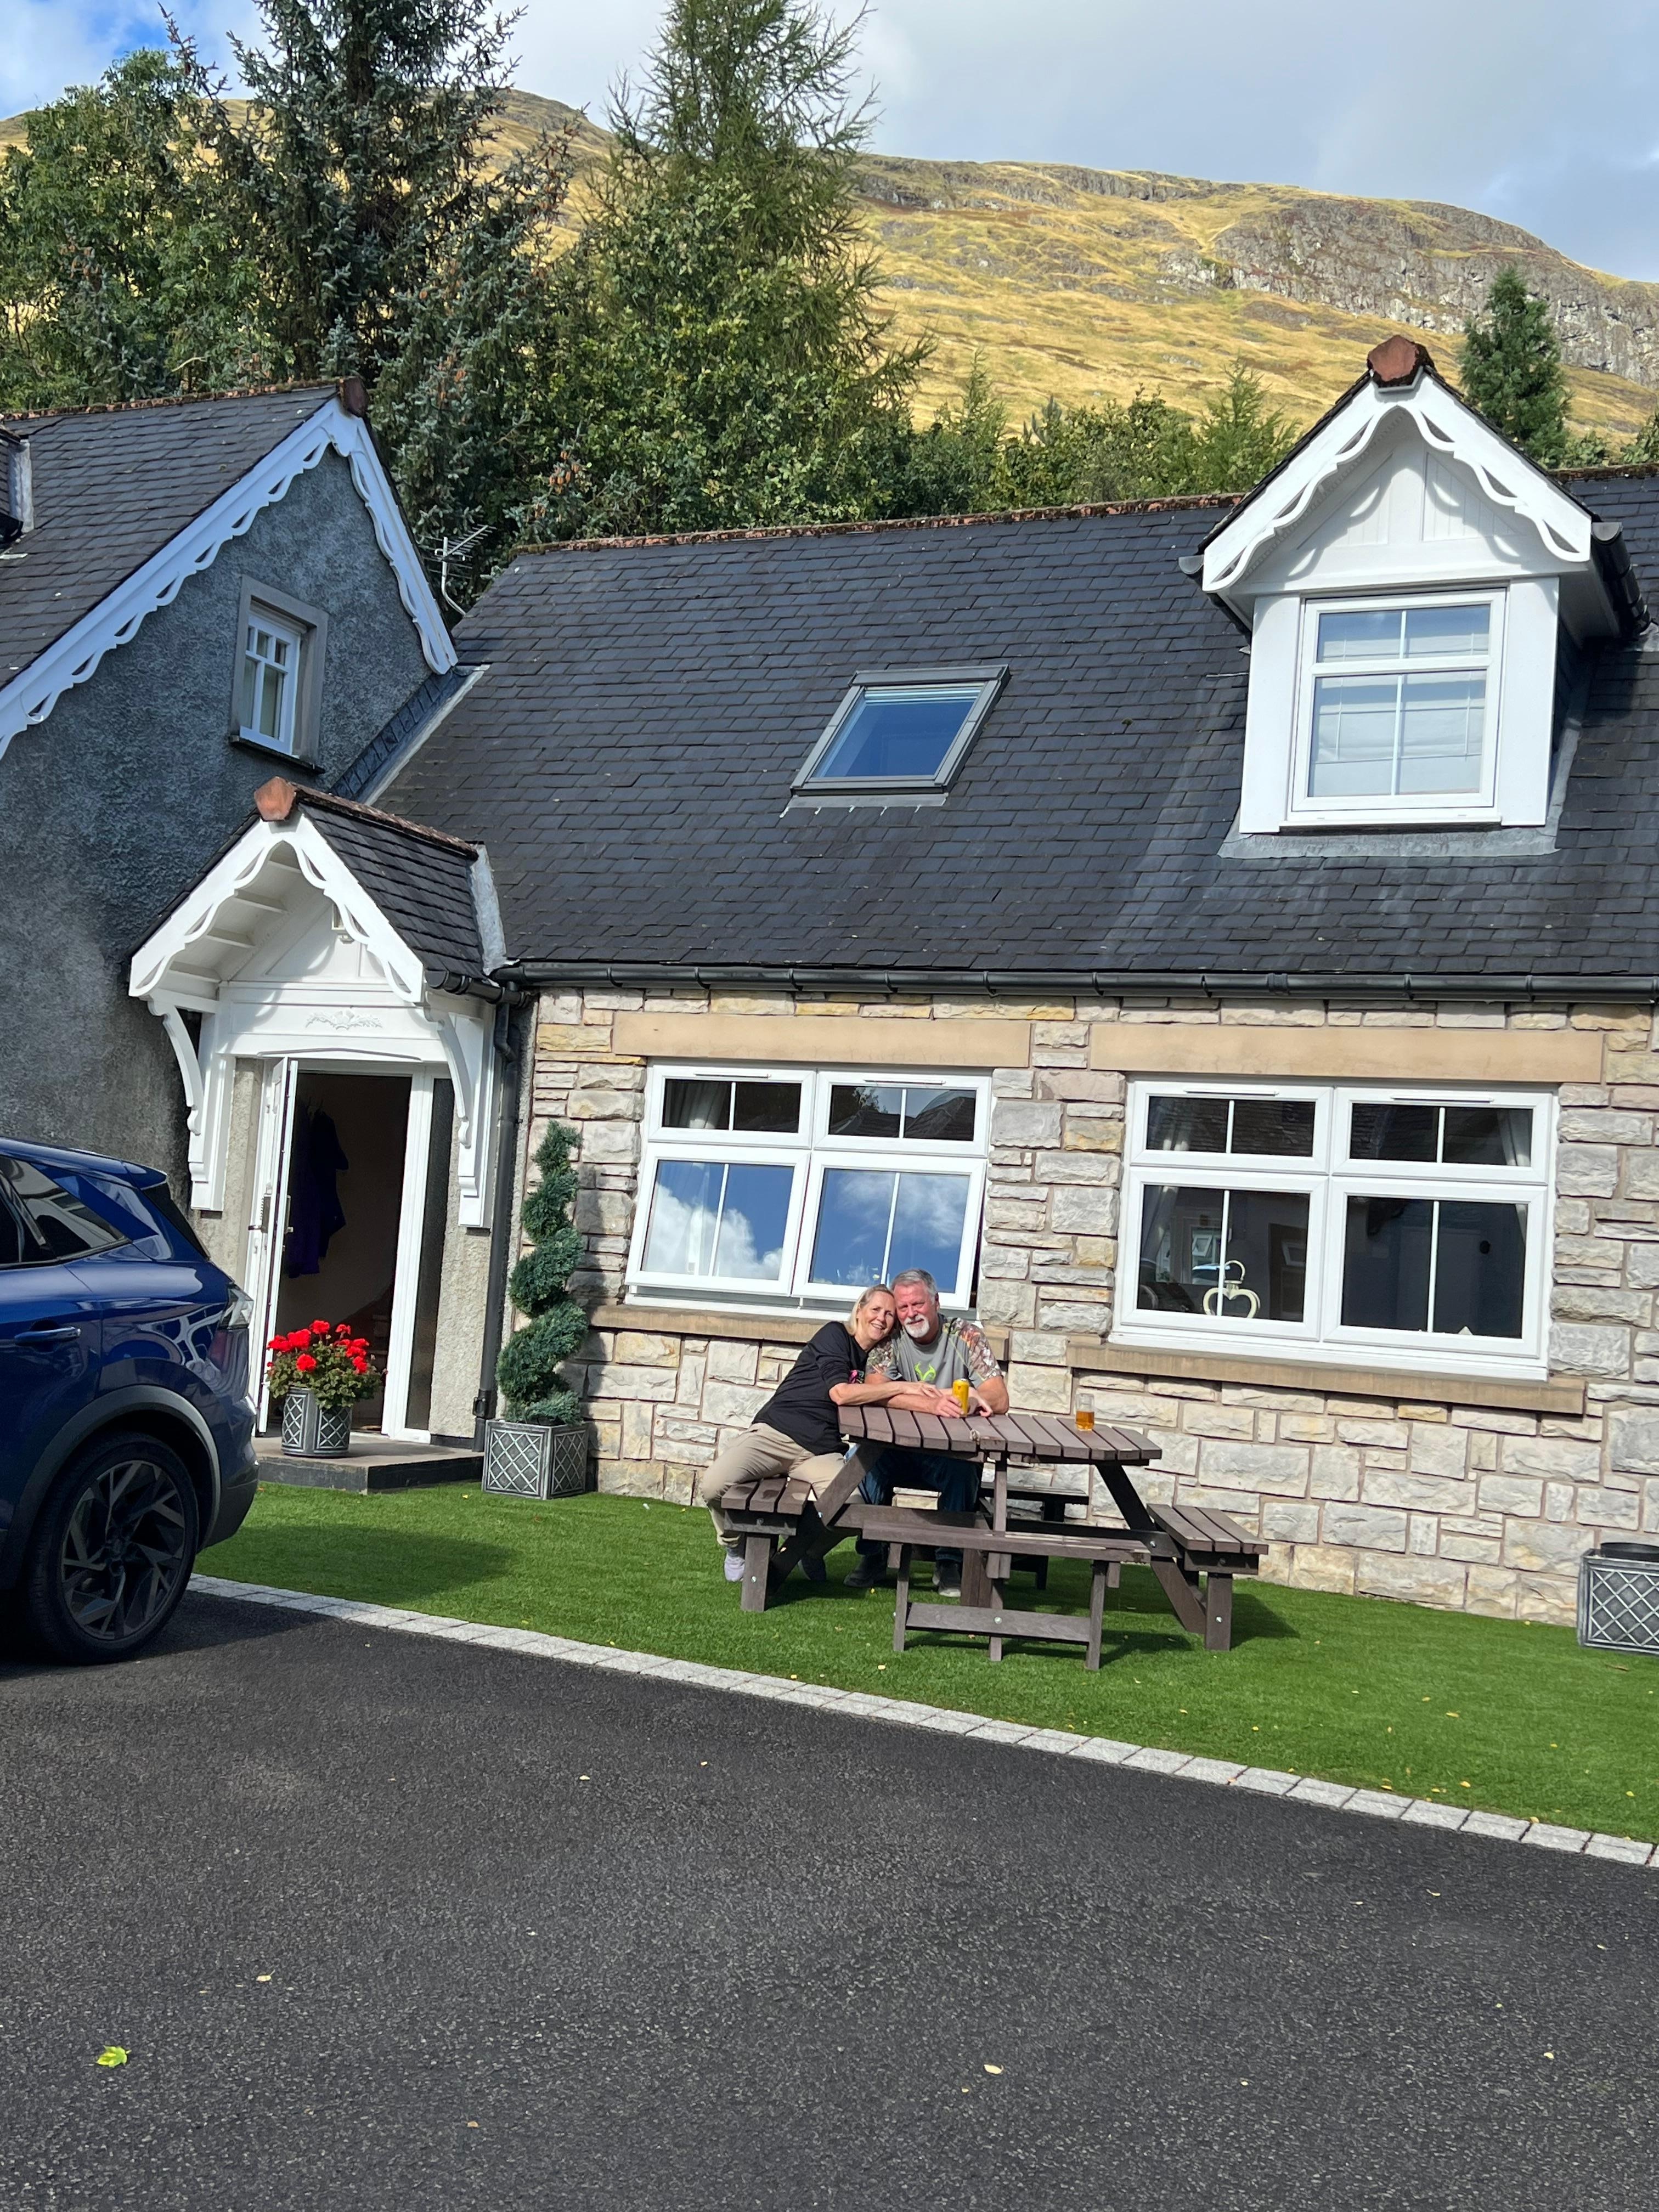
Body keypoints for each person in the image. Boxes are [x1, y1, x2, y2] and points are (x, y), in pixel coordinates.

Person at [695, 1283, 898, 1582]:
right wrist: (905, 1388)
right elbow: (840, 1393)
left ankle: (808, 1551)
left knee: (852, 1512)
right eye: (876, 1309)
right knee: (713, 1486)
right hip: (776, 1433)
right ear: (859, 1310)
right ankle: (735, 1546)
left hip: (821, 1451)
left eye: (890, 1314)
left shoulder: (879, 1366)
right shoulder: (835, 1335)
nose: (881, 1318)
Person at [829, 1267, 1008, 1598]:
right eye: (903, 1307)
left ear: (936, 1302)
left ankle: (949, 1561)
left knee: (966, 1467)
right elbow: (875, 1391)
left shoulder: (966, 1336)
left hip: (948, 1454)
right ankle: (873, 1554)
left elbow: (999, 1398)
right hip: (897, 1449)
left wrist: (970, 1400)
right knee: (867, 1460)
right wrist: (931, 1404)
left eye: (918, 1304)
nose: (911, 1313)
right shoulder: (891, 1339)